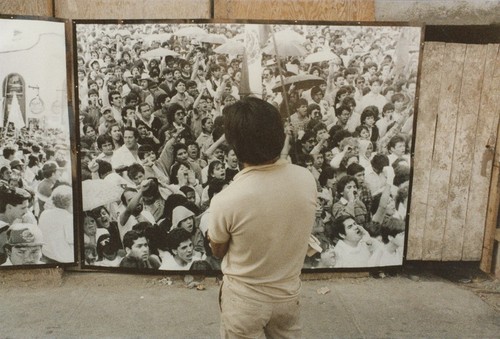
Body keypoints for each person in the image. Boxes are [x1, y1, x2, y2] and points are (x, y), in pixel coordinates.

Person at [208, 97, 317, 338]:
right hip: (288, 296)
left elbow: (217, 249)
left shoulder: (227, 199)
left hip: (244, 301)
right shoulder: (306, 180)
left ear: (235, 146)